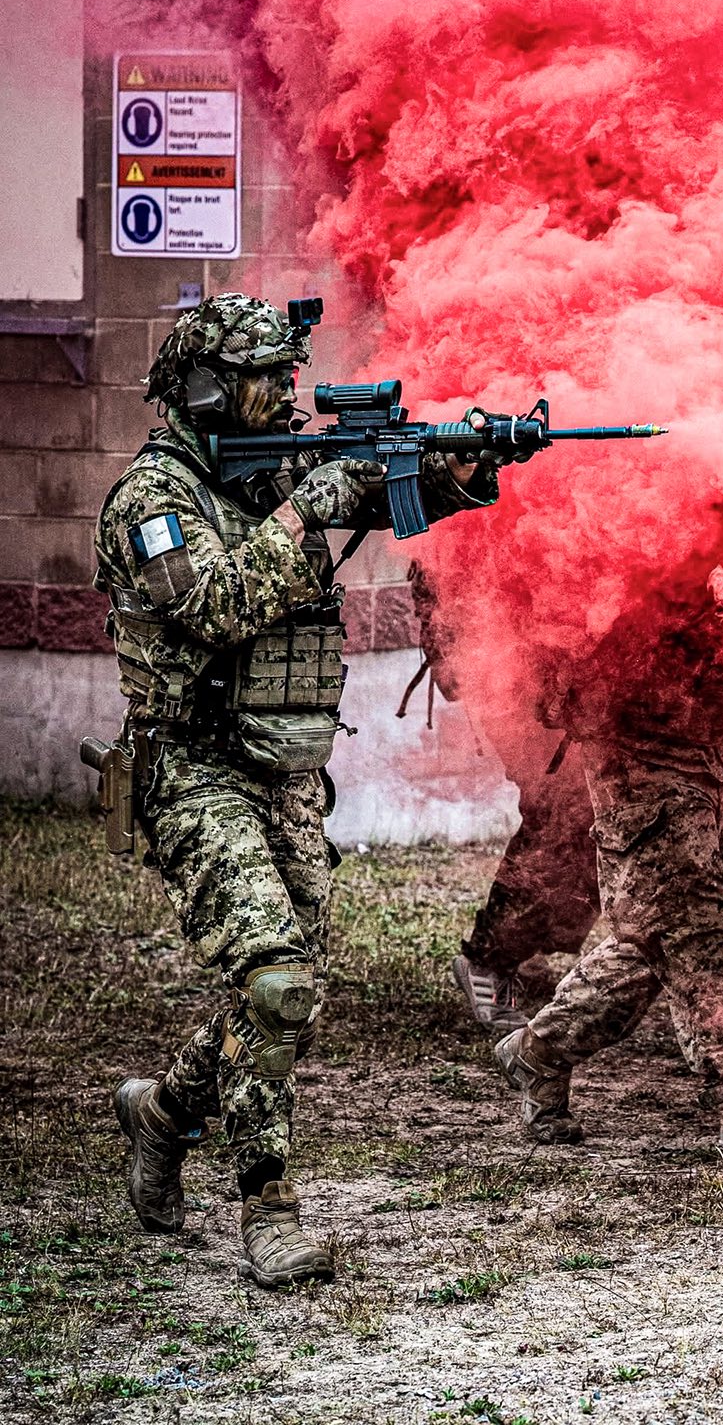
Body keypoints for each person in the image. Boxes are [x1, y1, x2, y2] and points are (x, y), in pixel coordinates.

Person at [95, 293, 494, 1287]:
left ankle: (162, 1113)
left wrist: (457, 468)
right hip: (191, 765)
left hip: (285, 770)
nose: (285, 390)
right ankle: (269, 1211)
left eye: (285, 369)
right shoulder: (154, 500)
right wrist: (308, 503)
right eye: (262, 374)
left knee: (288, 998)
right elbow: (218, 607)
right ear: (205, 387)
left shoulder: (274, 464)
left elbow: (382, 492)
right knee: (274, 981)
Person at [485, 591, 723, 1162]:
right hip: (648, 776)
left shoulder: (714, 541)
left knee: (649, 942)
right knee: (695, 934)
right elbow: (572, 676)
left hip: (708, 765)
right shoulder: (615, 550)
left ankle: (539, 1052)